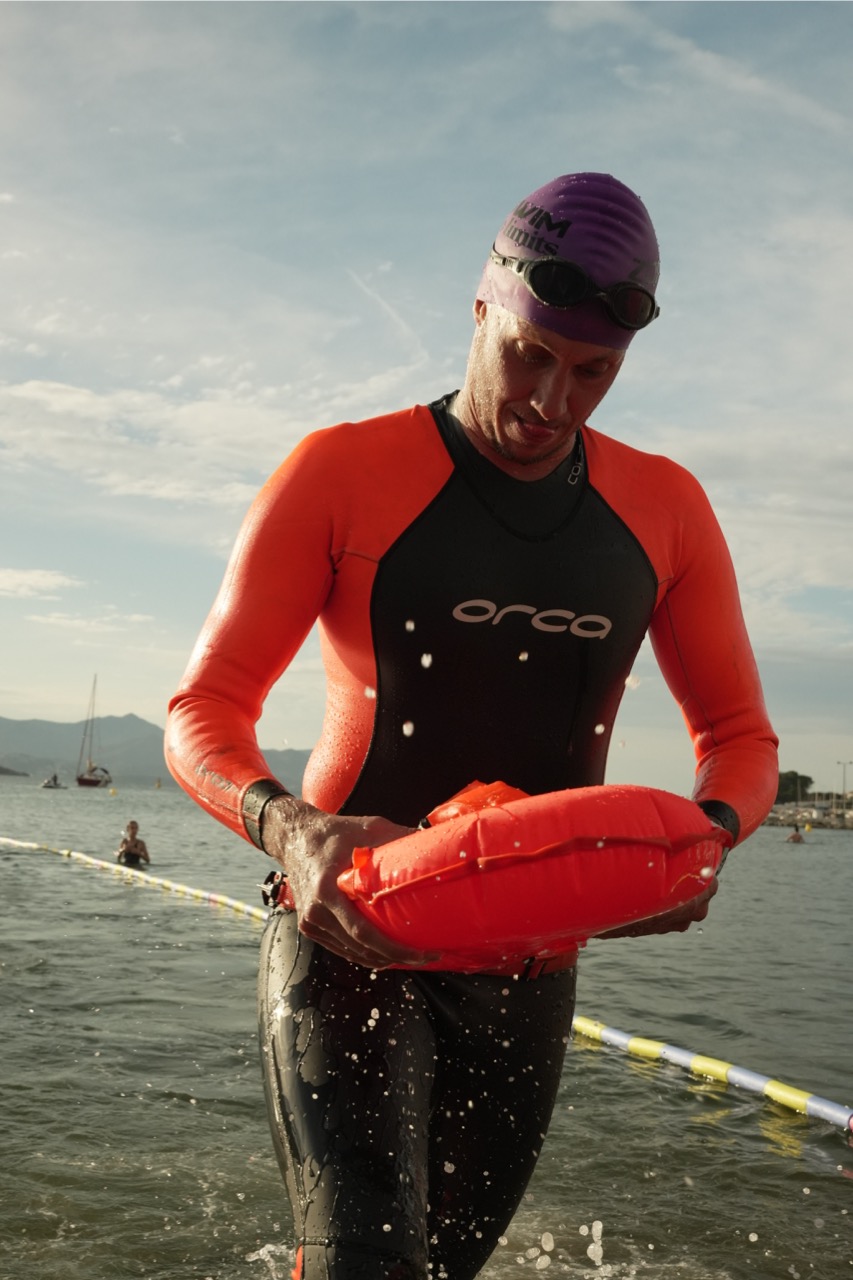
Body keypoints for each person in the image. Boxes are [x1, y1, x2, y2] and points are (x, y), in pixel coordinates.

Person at [165, 173, 778, 1280]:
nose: (552, 399)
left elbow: (740, 736)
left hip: (530, 963)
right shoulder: (341, 470)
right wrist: (291, 828)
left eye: (591, 372)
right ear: (482, 307)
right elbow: (202, 709)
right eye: (529, 354)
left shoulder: (667, 507)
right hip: (350, 933)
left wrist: (705, 842)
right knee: (365, 1262)